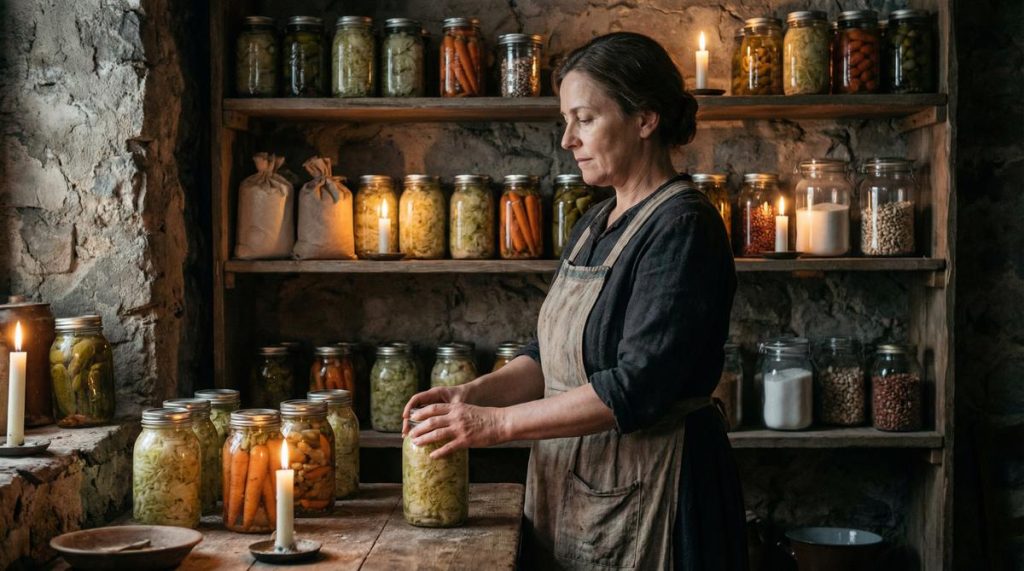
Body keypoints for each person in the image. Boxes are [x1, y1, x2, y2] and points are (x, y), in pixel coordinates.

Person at [403, 32, 747, 570]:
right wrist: (473, 394)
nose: (567, 140)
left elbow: (637, 386)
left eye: (584, 119)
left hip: (657, 488)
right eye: (566, 120)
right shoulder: (594, 223)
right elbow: (554, 359)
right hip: (578, 482)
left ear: (645, 119)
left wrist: (493, 426)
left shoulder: (683, 226)